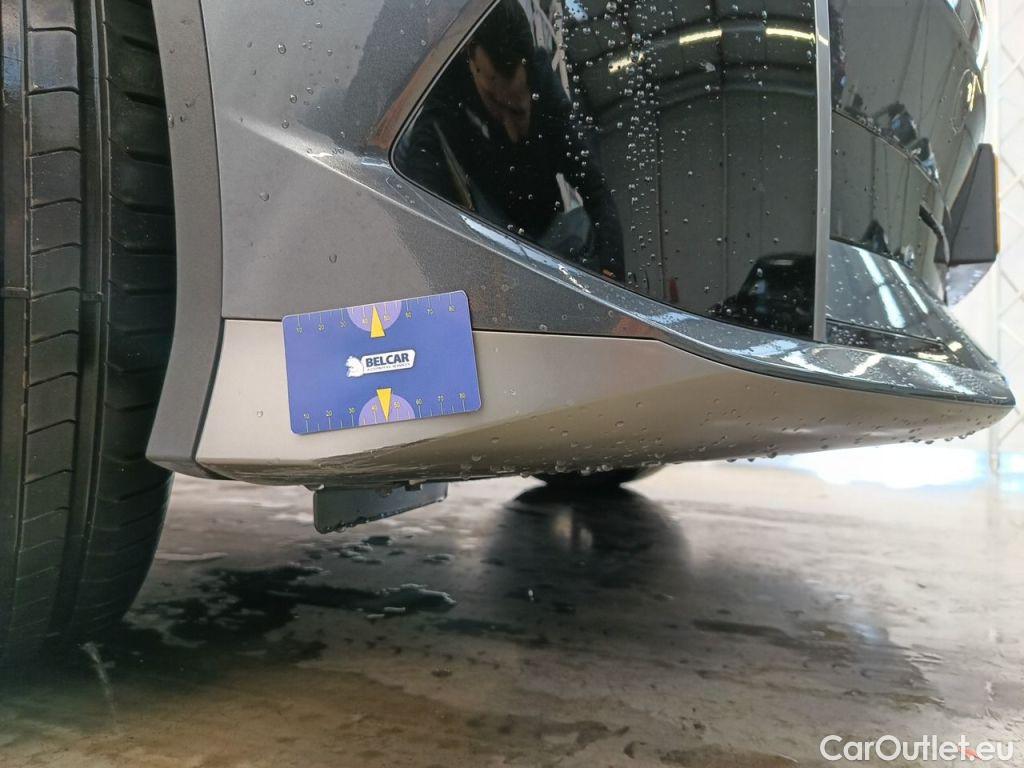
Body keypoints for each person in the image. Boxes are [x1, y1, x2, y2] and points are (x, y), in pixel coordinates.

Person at [396, 0, 624, 279]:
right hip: (488, 228)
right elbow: (423, 154)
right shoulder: (450, 84)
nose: (510, 130)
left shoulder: (548, 98)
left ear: (530, 79)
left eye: (516, 110)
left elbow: (596, 190)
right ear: (472, 62)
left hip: (548, 234)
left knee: (580, 231)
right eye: (493, 101)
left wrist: (611, 269)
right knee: (404, 149)